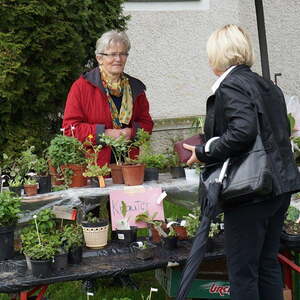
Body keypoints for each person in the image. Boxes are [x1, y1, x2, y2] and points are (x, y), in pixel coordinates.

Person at [184, 24, 300, 300]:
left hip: (250, 191)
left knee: (243, 272)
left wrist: (204, 152)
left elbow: (242, 132)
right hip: (278, 187)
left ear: (217, 55)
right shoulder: (267, 86)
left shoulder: (232, 85)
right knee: (267, 264)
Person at [62, 30, 153, 166]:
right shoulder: (82, 87)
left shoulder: (135, 87)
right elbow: (70, 129)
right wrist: (104, 134)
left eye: (122, 54)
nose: (118, 59)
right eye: (113, 54)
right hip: (94, 167)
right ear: (99, 58)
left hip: (129, 165)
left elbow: (147, 124)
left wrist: (131, 132)